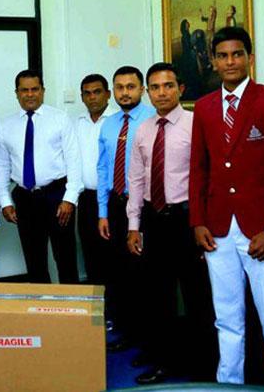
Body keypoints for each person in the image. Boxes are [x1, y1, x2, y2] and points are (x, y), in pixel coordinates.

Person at [189, 26, 264, 389]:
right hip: (218, 231)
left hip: (262, 232)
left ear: (250, 58)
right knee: (227, 320)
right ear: (214, 62)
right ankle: (229, 385)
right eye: (222, 55)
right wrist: (197, 221)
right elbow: (198, 168)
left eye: (237, 54)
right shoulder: (203, 107)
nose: (230, 61)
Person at [126, 63, 215, 384]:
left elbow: (209, 177)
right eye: (155, 87)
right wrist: (134, 224)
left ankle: (202, 365)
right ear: (148, 92)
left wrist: (204, 223)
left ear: (181, 89)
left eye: (168, 86)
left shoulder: (197, 124)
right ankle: (164, 362)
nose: (161, 93)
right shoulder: (144, 129)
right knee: (158, 296)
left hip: (188, 219)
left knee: (196, 296)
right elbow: (136, 179)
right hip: (154, 218)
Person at [0, 69, 82, 284]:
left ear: (43, 91)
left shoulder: (60, 119)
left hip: (57, 196)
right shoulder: (6, 126)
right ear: (16, 93)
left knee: (65, 257)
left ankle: (71, 310)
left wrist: (69, 199)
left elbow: (74, 161)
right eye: (24, 90)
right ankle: (42, 309)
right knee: (34, 260)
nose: (30, 94)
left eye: (35, 89)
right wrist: (5, 201)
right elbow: (1, 166)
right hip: (25, 198)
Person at [97, 66, 155, 349]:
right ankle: (126, 331)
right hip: (115, 203)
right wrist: (102, 212)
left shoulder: (152, 120)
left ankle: (146, 336)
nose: (124, 92)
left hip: (143, 206)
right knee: (118, 272)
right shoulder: (109, 124)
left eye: (130, 87)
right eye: (119, 87)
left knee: (142, 274)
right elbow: (103, 168)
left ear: (142, 89)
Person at [74, 73, 115, 318]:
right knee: (90, 255)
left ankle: (115, 311)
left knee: (112, 257)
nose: (92, 97)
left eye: (97, 92)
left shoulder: (116, 121)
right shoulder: (76, 123)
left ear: (107, 94)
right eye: (87, 93)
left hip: (113, 199)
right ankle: (96, 311)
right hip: (87, 199)